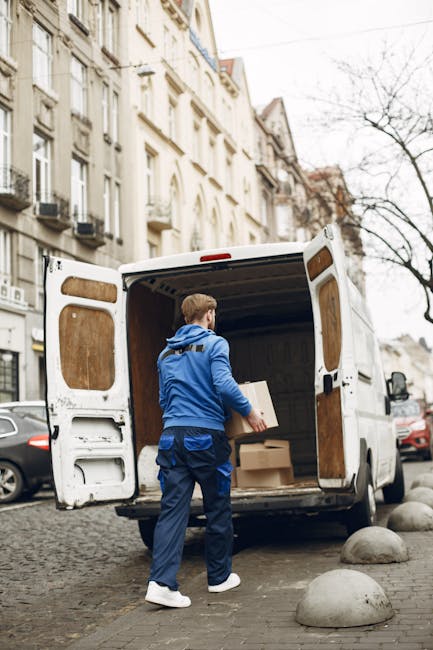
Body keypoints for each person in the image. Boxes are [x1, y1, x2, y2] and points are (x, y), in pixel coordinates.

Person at [145, 293, 267, 608]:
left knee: (172, 512)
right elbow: (225, 385)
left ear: (186, 317)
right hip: (205, 438)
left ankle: (161, 584)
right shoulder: (215, 344)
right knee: (217, 508)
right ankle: (219, 577)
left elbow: (163, 399)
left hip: (171, 439)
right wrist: (251, 413)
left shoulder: (165, 354)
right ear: (209, 314)